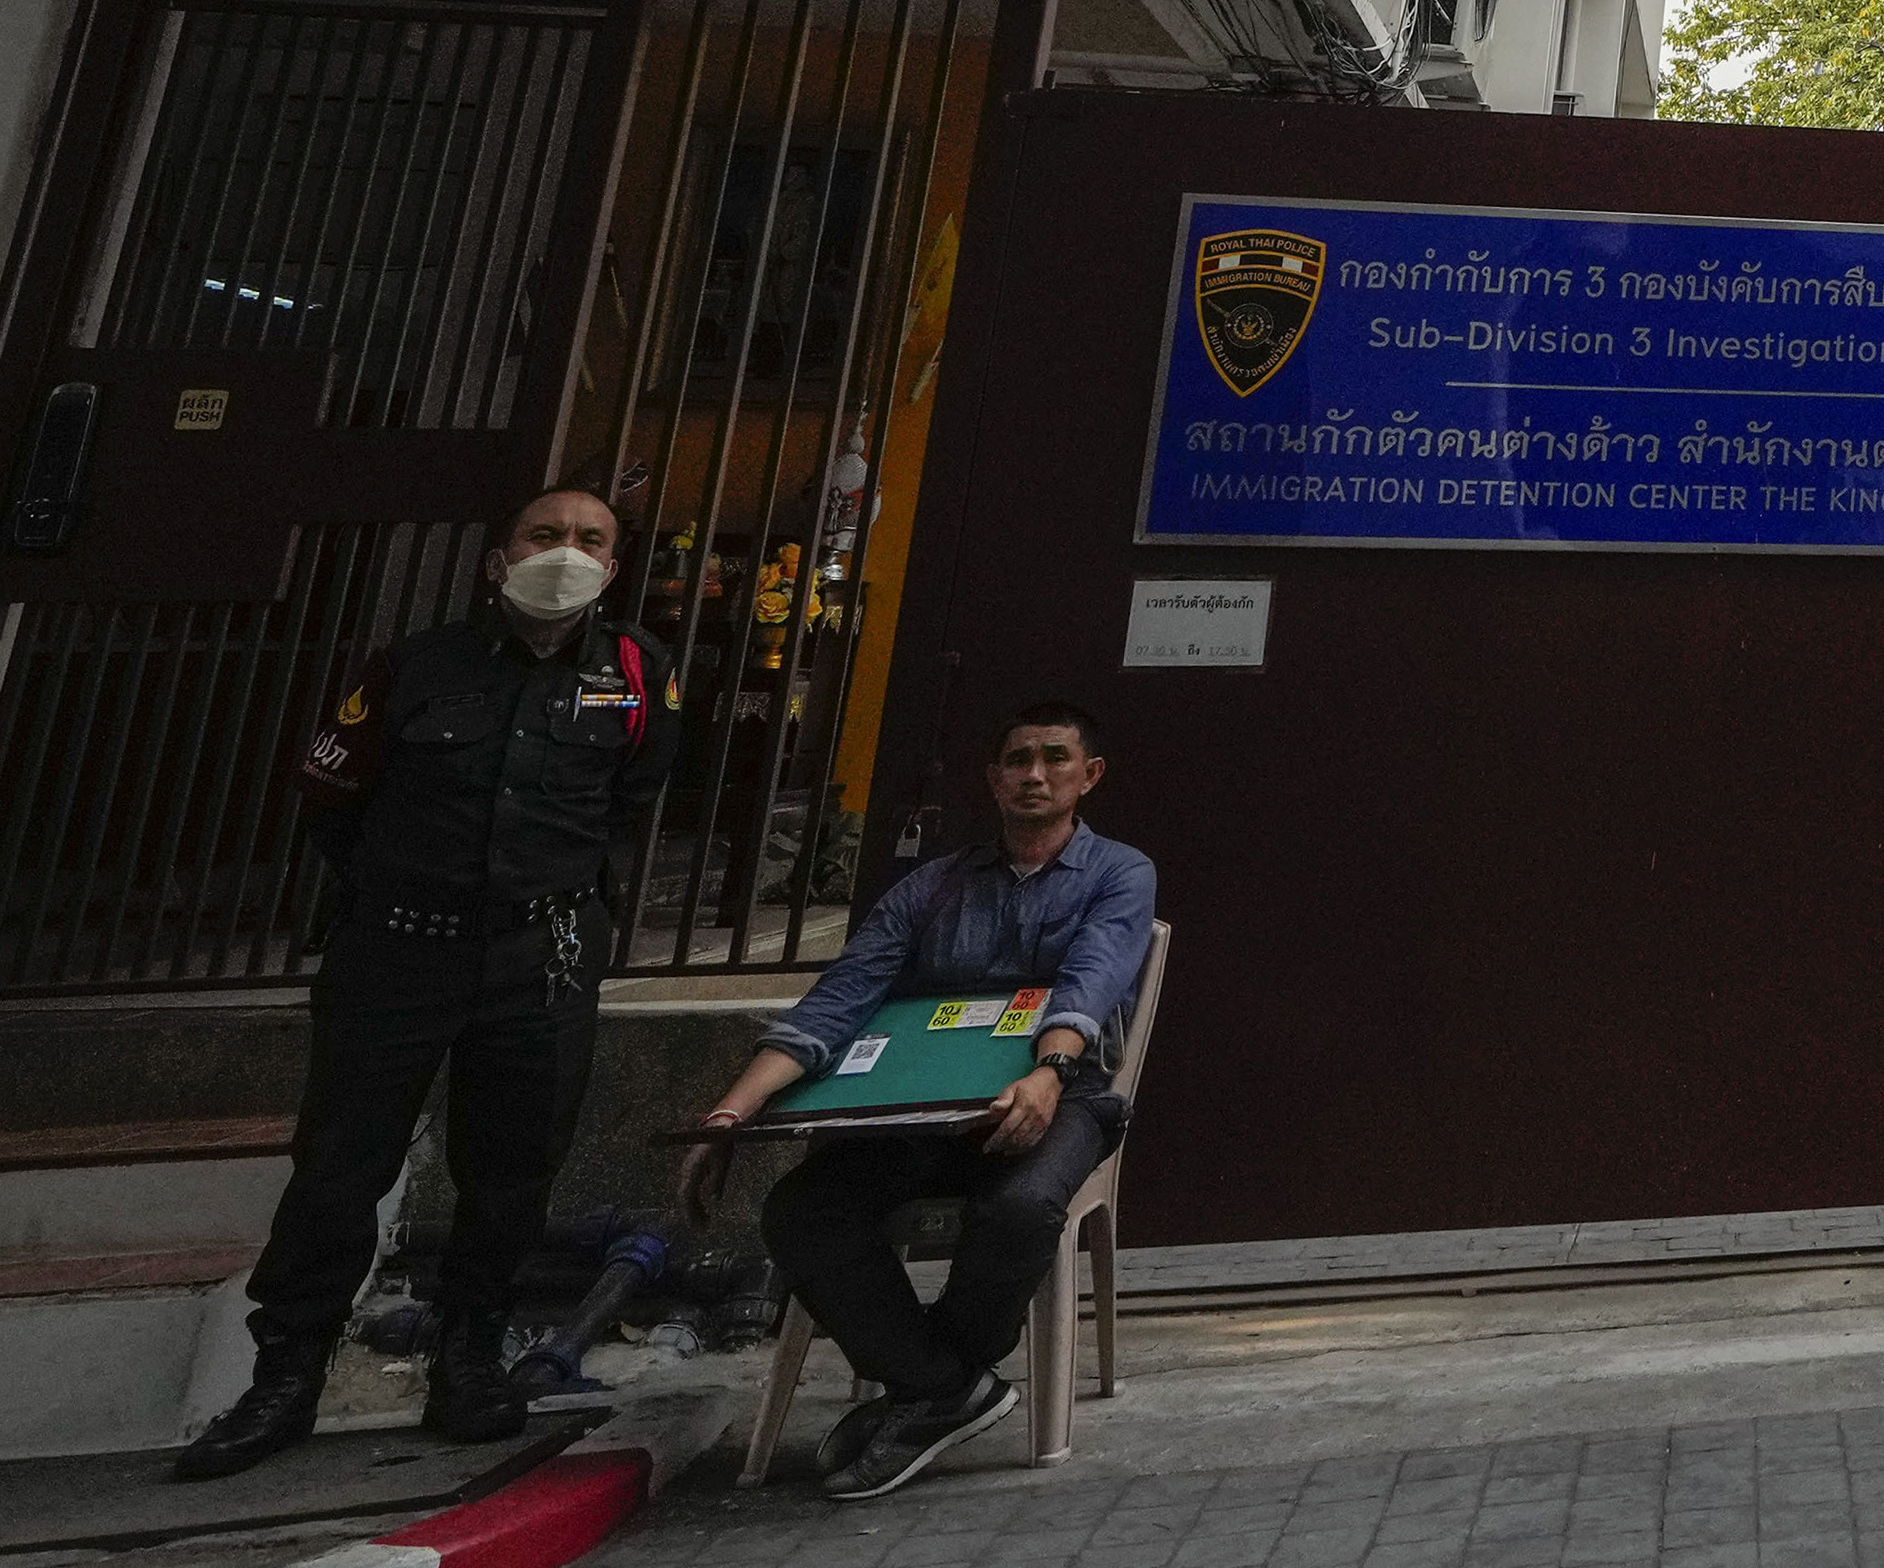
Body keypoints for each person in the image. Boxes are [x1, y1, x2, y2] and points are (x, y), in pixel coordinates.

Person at [179, 488, 667, 1479]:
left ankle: (469, 1359)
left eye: (589, 541)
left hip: (542, 956)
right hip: (398, 949)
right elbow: (332, 800)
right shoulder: (416, 666)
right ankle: (286, 1376)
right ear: (497, 560)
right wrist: (404, 892)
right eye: (544, 535)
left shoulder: (632, 673)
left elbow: (634, 791)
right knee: (338, 1166)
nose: (564, 554)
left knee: (512, 1169)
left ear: (613, 570)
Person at [674, 703, 1156, 1502]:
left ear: (1087, 776)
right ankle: (943, 1387)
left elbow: (1093, 982)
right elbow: (837, 1002)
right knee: (803, 1208)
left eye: (1054, 759)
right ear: (992, 777)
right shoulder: (930, 887)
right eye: (1017, 759)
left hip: (1065, 1095)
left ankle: (932, 1385)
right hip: (923, 1110)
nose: (1034, 775)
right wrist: (728, 1113)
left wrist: (1046, 1073)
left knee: (1021, 1207)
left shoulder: (1120, 872)